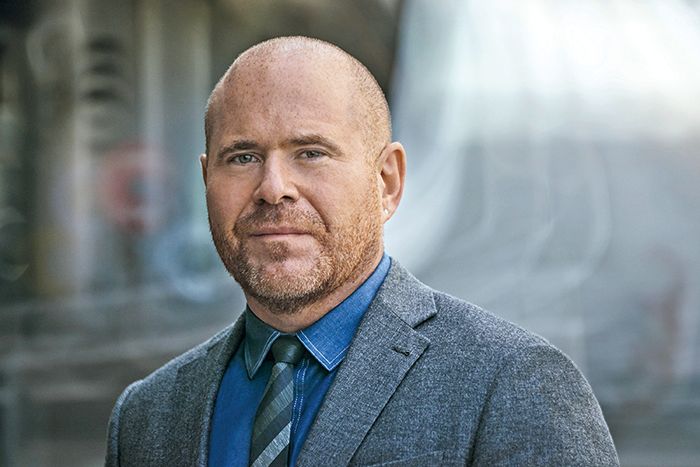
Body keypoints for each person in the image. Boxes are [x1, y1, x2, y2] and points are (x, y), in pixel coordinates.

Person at [105, 36, 619, 467]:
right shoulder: (147, 416)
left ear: (387, 182)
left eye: (311, 153)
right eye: (242, 157)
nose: (273, 188)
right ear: (206, 180)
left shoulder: (513, 384)